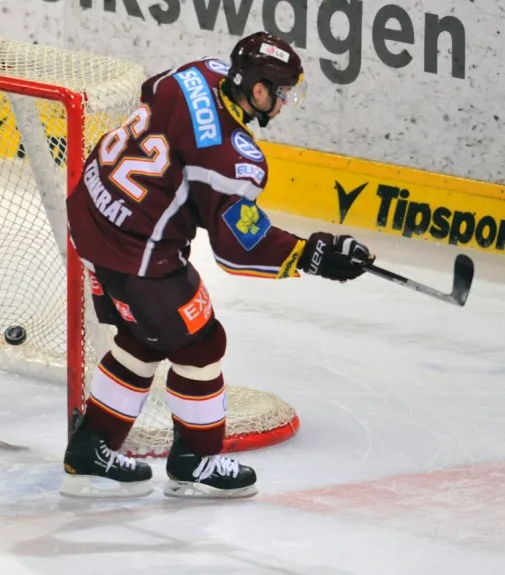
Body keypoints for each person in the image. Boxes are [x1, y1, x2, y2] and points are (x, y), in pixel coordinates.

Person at [61, 32, 375, 499]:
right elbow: (236, 247)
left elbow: (155, 98)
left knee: (142, 337)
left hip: (91, 212)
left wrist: (187, 193)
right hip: (139, 253)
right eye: (282, 93)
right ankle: (196, 461)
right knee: (201, 343)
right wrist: (312, 253)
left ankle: (91, 448)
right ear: (259, 90)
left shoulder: (199, 71)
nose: (285, 103)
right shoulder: (234, 159)